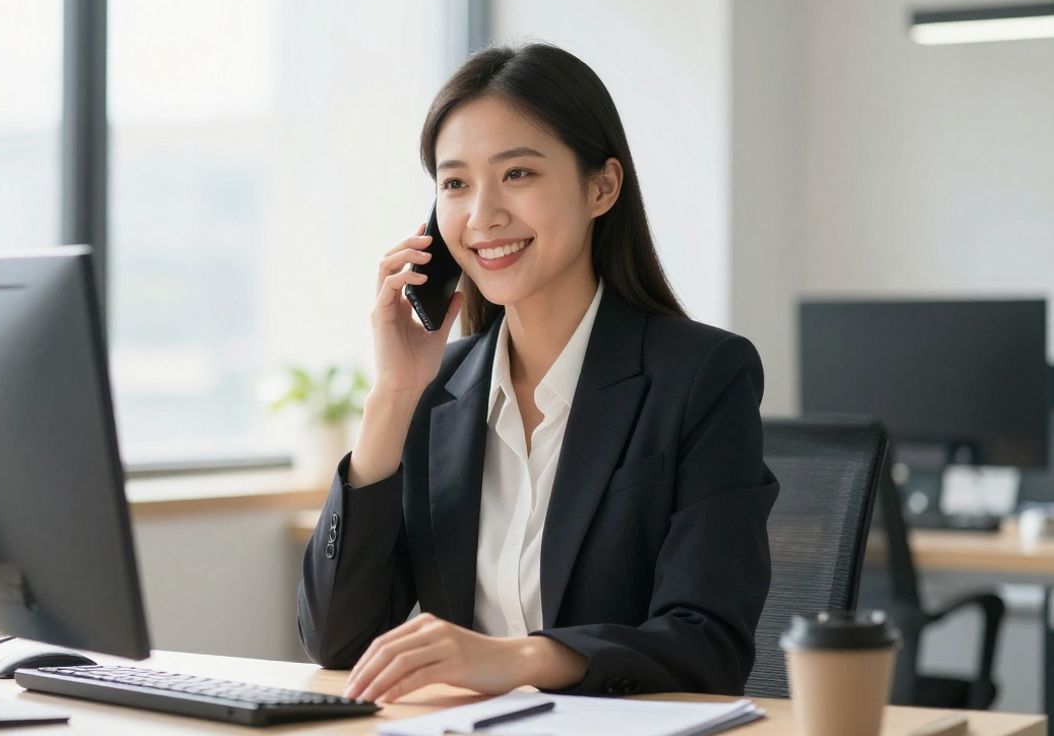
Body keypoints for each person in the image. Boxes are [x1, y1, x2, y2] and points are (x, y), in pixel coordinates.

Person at [297, 42, 779, 704]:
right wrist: (394, 395)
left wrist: (518, 659)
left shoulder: (701, 377)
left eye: (517, 174)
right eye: (455, 183)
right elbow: (335, 642)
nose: (482, 216)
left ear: (601, 187)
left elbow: (708, 645)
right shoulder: (436, 390)